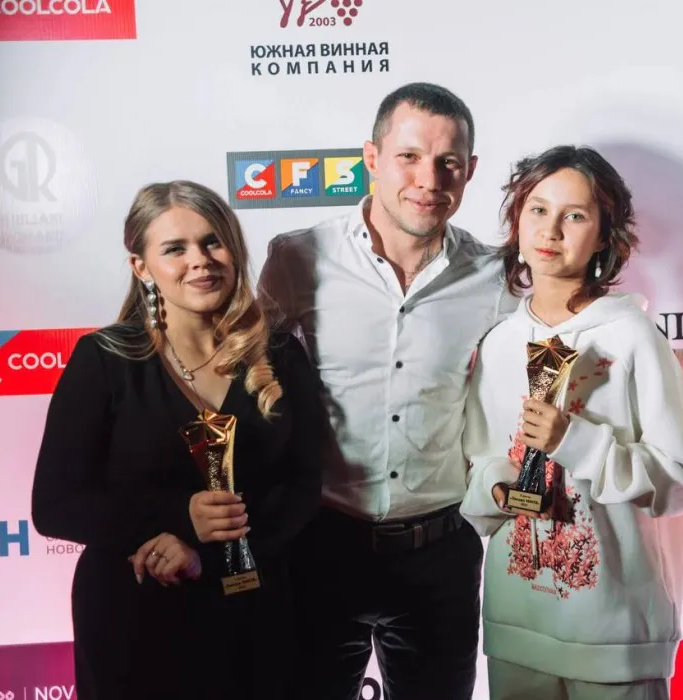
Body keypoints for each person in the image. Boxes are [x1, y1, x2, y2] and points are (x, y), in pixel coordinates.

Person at [257, 82, 516, 700]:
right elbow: (241, 374)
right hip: (320, 546)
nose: (430, 179)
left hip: (441, 554)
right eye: (409, 157)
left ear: (470, 169)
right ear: (371, 158)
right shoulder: (298, 258)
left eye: (449, 162)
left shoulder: (494, 277)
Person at [30, 181, 328, 700]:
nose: (201, 261)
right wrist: (176, 520)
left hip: (256, 612)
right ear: (141, 267)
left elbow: (303, 485)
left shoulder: (280, 353)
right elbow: (55, 506)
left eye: (213, 242)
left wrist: (212, 548)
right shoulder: (104, 360)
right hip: (136, 614)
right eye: (175, 248)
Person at [459, 145, 683, 700]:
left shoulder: (633, 336)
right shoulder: (498, 343)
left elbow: (681, 479)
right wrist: (498, 487)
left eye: (574, 215)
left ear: (603, 236)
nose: (551, 230)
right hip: (517, 628)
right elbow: (478, 463)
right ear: (517, 220)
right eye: (538, 210)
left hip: (617, 635)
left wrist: (574, 442)